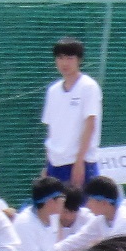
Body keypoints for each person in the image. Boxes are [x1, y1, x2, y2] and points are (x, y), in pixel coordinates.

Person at [43, 38, 102, 188]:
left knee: (81, 209)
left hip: (81, 164)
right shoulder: (53, 91)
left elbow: (90, 125)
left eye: (70, 58)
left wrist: (79, 163)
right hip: (55, 164)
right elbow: (52, 131)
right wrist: (47, 165)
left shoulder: (88, 86)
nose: (64, 63)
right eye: (60, 58)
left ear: (79, 60)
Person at [55, 176, 126, 251]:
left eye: (90, 200)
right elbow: (79, 239)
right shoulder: (101, 219)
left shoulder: (125, 221)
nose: (87, 205)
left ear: (103, 203)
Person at [11, 176, 68, 251]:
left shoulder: (53, 218)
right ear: (51, 201)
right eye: (62, 198)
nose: (64, 202)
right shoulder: (25, 222)